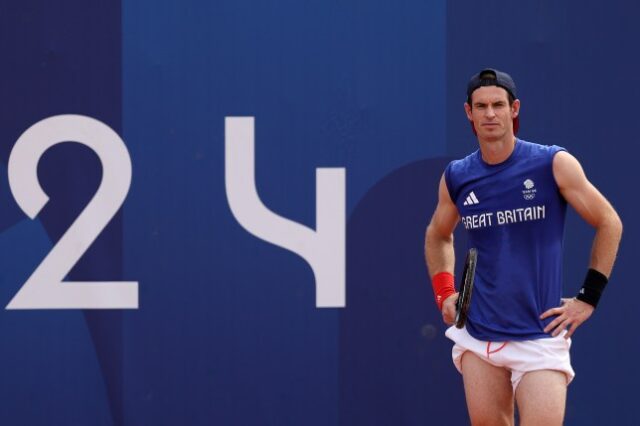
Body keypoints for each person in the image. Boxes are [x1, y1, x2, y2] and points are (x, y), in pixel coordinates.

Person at [424, 68, 623, 426]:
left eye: (498, 105)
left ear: (514, 108)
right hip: (479, 335)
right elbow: (438, 235)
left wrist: (588, 297)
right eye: (481, 106)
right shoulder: (457, 176)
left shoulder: (552, 163)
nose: (490, 114)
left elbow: (609, 221)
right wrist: (445, 293)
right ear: (468, 112)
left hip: (539, 336)